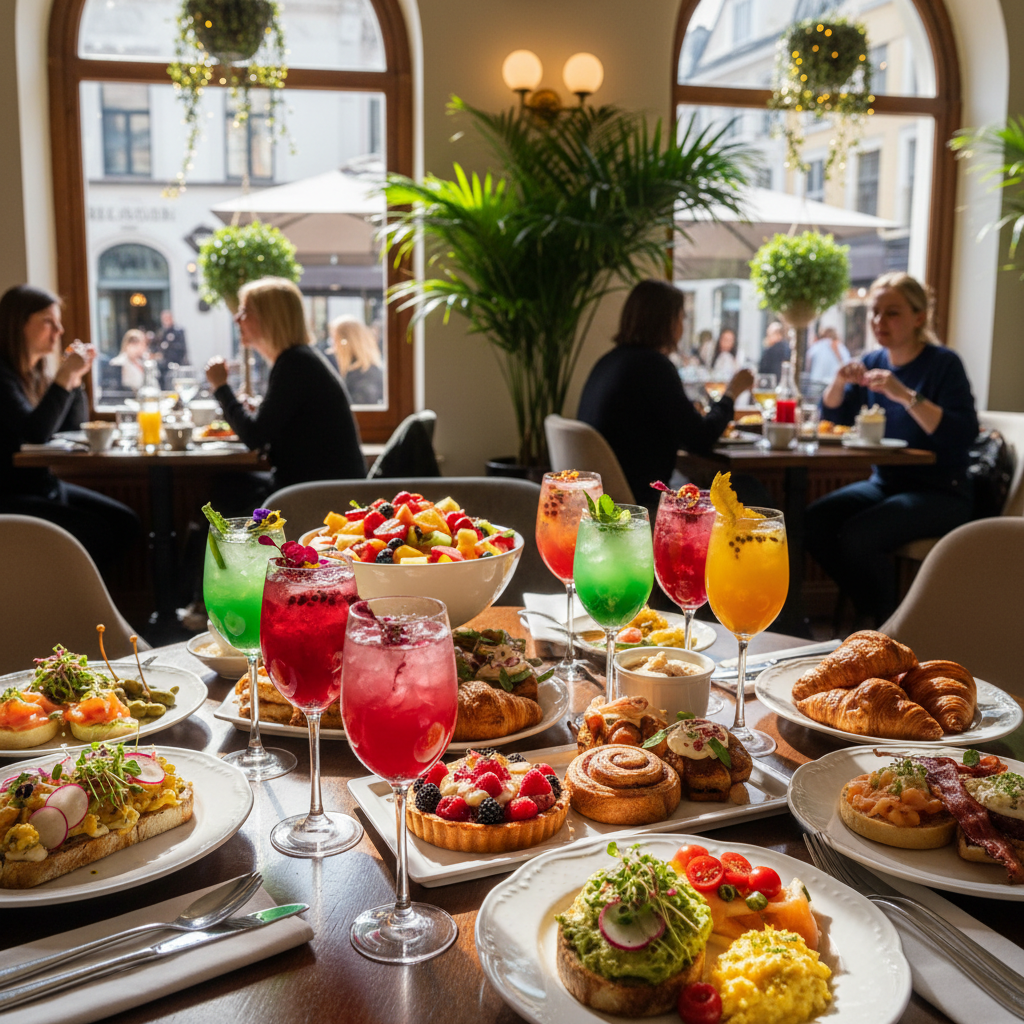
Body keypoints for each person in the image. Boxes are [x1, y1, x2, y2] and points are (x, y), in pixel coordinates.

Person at [805, 272, 979, 626]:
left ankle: (889, 625)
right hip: (886, 482)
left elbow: (961, 434)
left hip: (943, 490)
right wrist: (839, 381)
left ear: (919, 317)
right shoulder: (873, 361)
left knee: (859, 535)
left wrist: (905, 395)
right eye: (875, 312)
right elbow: (834, 417)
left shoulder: (943, 364)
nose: (879, 321)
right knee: (813, 521)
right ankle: (872, 608)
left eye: (892, 312)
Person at [577, 279, 753, 517]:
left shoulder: (609, 362)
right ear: (667, 322)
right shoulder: (653, 366)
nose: (682, 326)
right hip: (639, 505)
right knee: (748, 489)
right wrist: (732, 392)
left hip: (606, 502)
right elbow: (700, 437)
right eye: (681, 317)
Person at [0, 284, 140, 572]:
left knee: (126, 523)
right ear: (18, 324)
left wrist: (74, 380)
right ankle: (68, 602)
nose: (59, 331)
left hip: (44, 486)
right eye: (48, 322)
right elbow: (34, 434)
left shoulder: (35, 375)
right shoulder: (2, 377)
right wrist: (64, 377)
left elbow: (71, 426)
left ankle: (81, 602)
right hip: (11, 494)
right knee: (96, 533)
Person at [205, 277, 366, 503]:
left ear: (268, 318)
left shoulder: (294, 364)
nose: (236, 318)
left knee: (223, 489)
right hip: (324, 487)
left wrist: (221, 387)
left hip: (319, 496)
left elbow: (254, 436)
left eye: (245, 312)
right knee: (226, 486)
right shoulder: (298, 360)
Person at [329, 316, 385, 406]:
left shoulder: (363, 376)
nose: (333, 349)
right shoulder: (365, 371)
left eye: (335, 341)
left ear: (346, 343)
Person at [155, 310, 189, 388]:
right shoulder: (161, 332)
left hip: (177, 363)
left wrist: (169, 346)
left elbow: (182, 348)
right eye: (164, 318)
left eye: (168, 318)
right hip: (164, 366)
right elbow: (158, 347)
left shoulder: (178, 331)